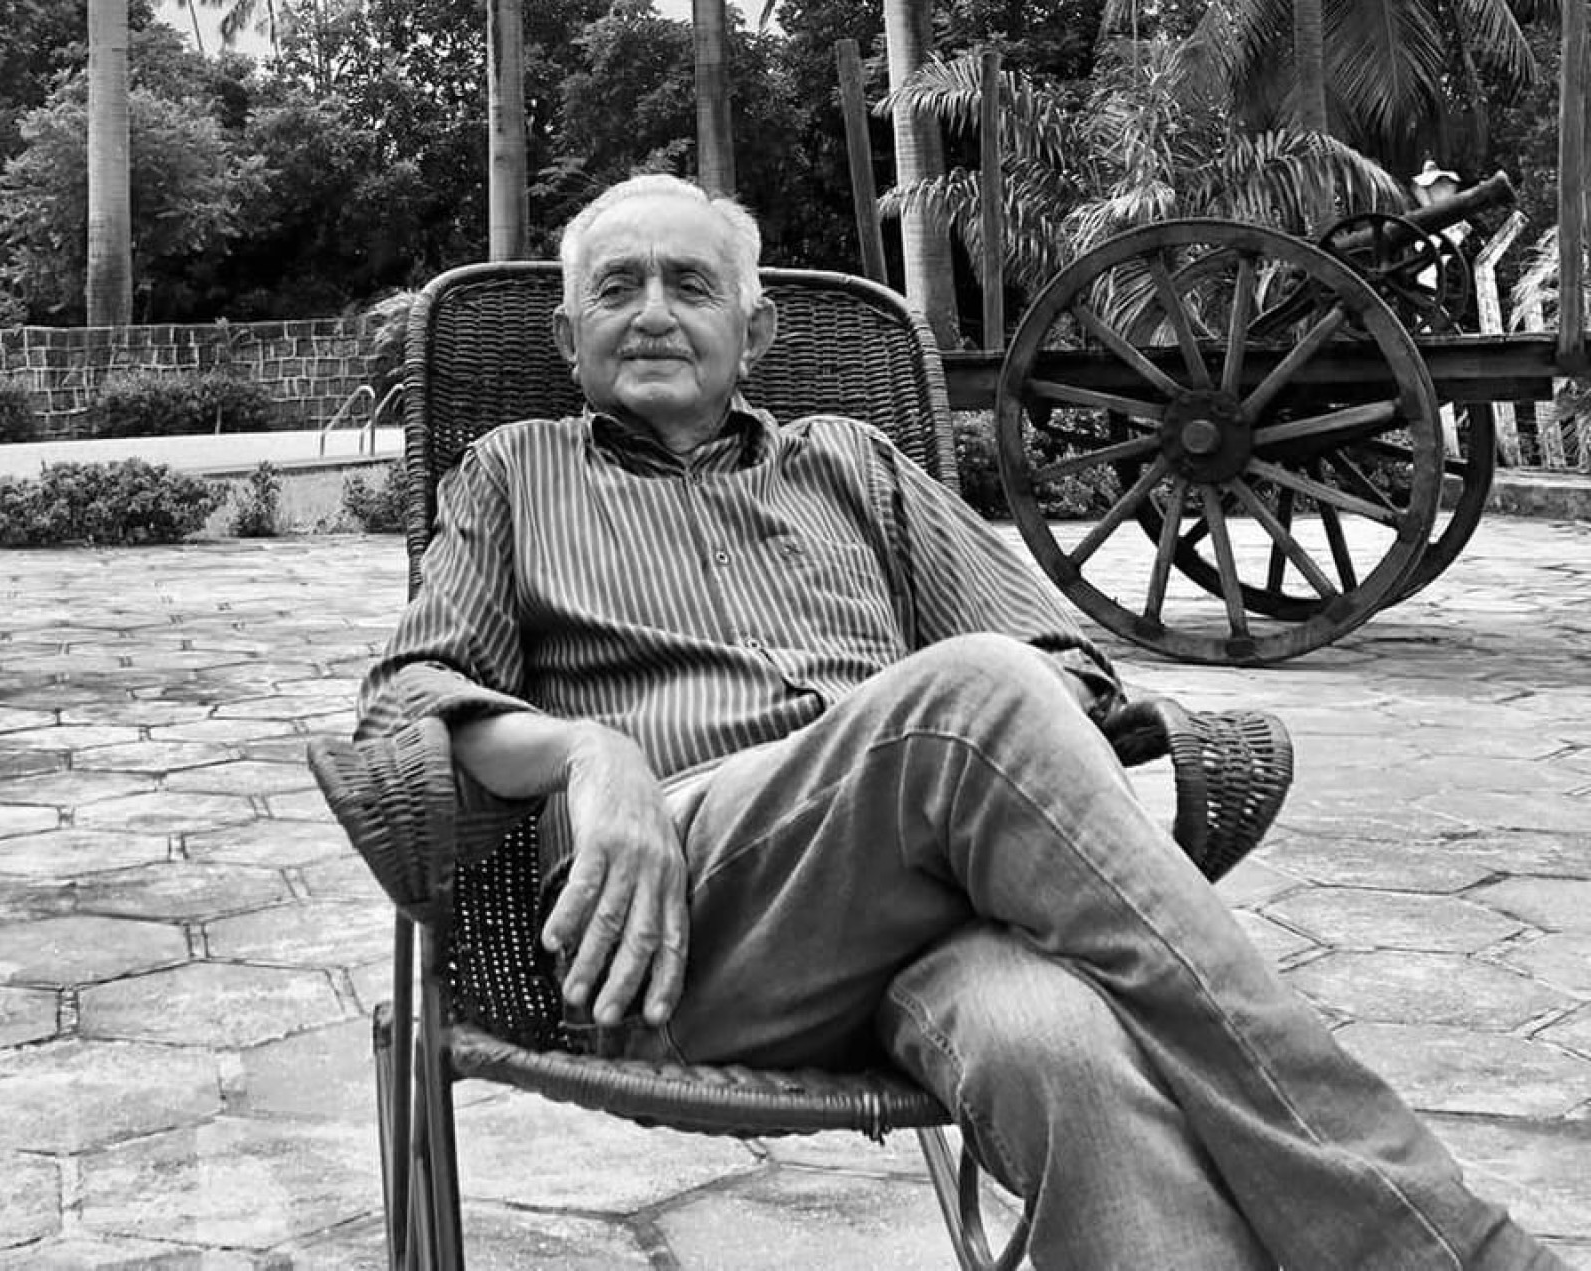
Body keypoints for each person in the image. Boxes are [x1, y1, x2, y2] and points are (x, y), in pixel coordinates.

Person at [355, 173, 1564, 1269]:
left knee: (1062, 1044)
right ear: (569, 338)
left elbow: (1058, 661)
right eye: (618, 289)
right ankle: (1443, 1248)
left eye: (690, 284)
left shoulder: (854, 463)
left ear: (754, 332)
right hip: (680, 921)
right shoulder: (513, 471)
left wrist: (1003, 768)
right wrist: (589, 752)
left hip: (914, 916)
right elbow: (411, 694)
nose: (654, 313)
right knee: (968, 699)